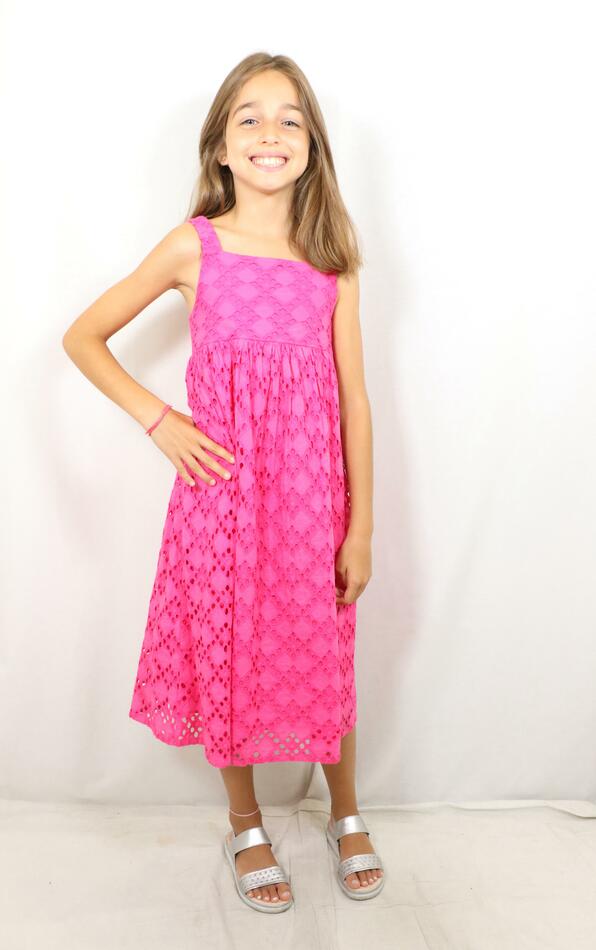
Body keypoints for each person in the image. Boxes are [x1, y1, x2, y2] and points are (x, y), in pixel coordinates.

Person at [62, 51, 383, 912]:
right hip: (224, 499)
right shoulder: (192, 246)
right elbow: (83, 336)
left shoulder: (332, 258)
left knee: (327, 649)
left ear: (311, 145)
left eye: (290, 118)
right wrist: (159, 420)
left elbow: (354, 398)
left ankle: (345, 810)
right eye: (250, 117)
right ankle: (245, 821)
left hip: (314, 501)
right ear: (220, 147)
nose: (270, 132)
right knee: (229, 646)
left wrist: (361, 527)